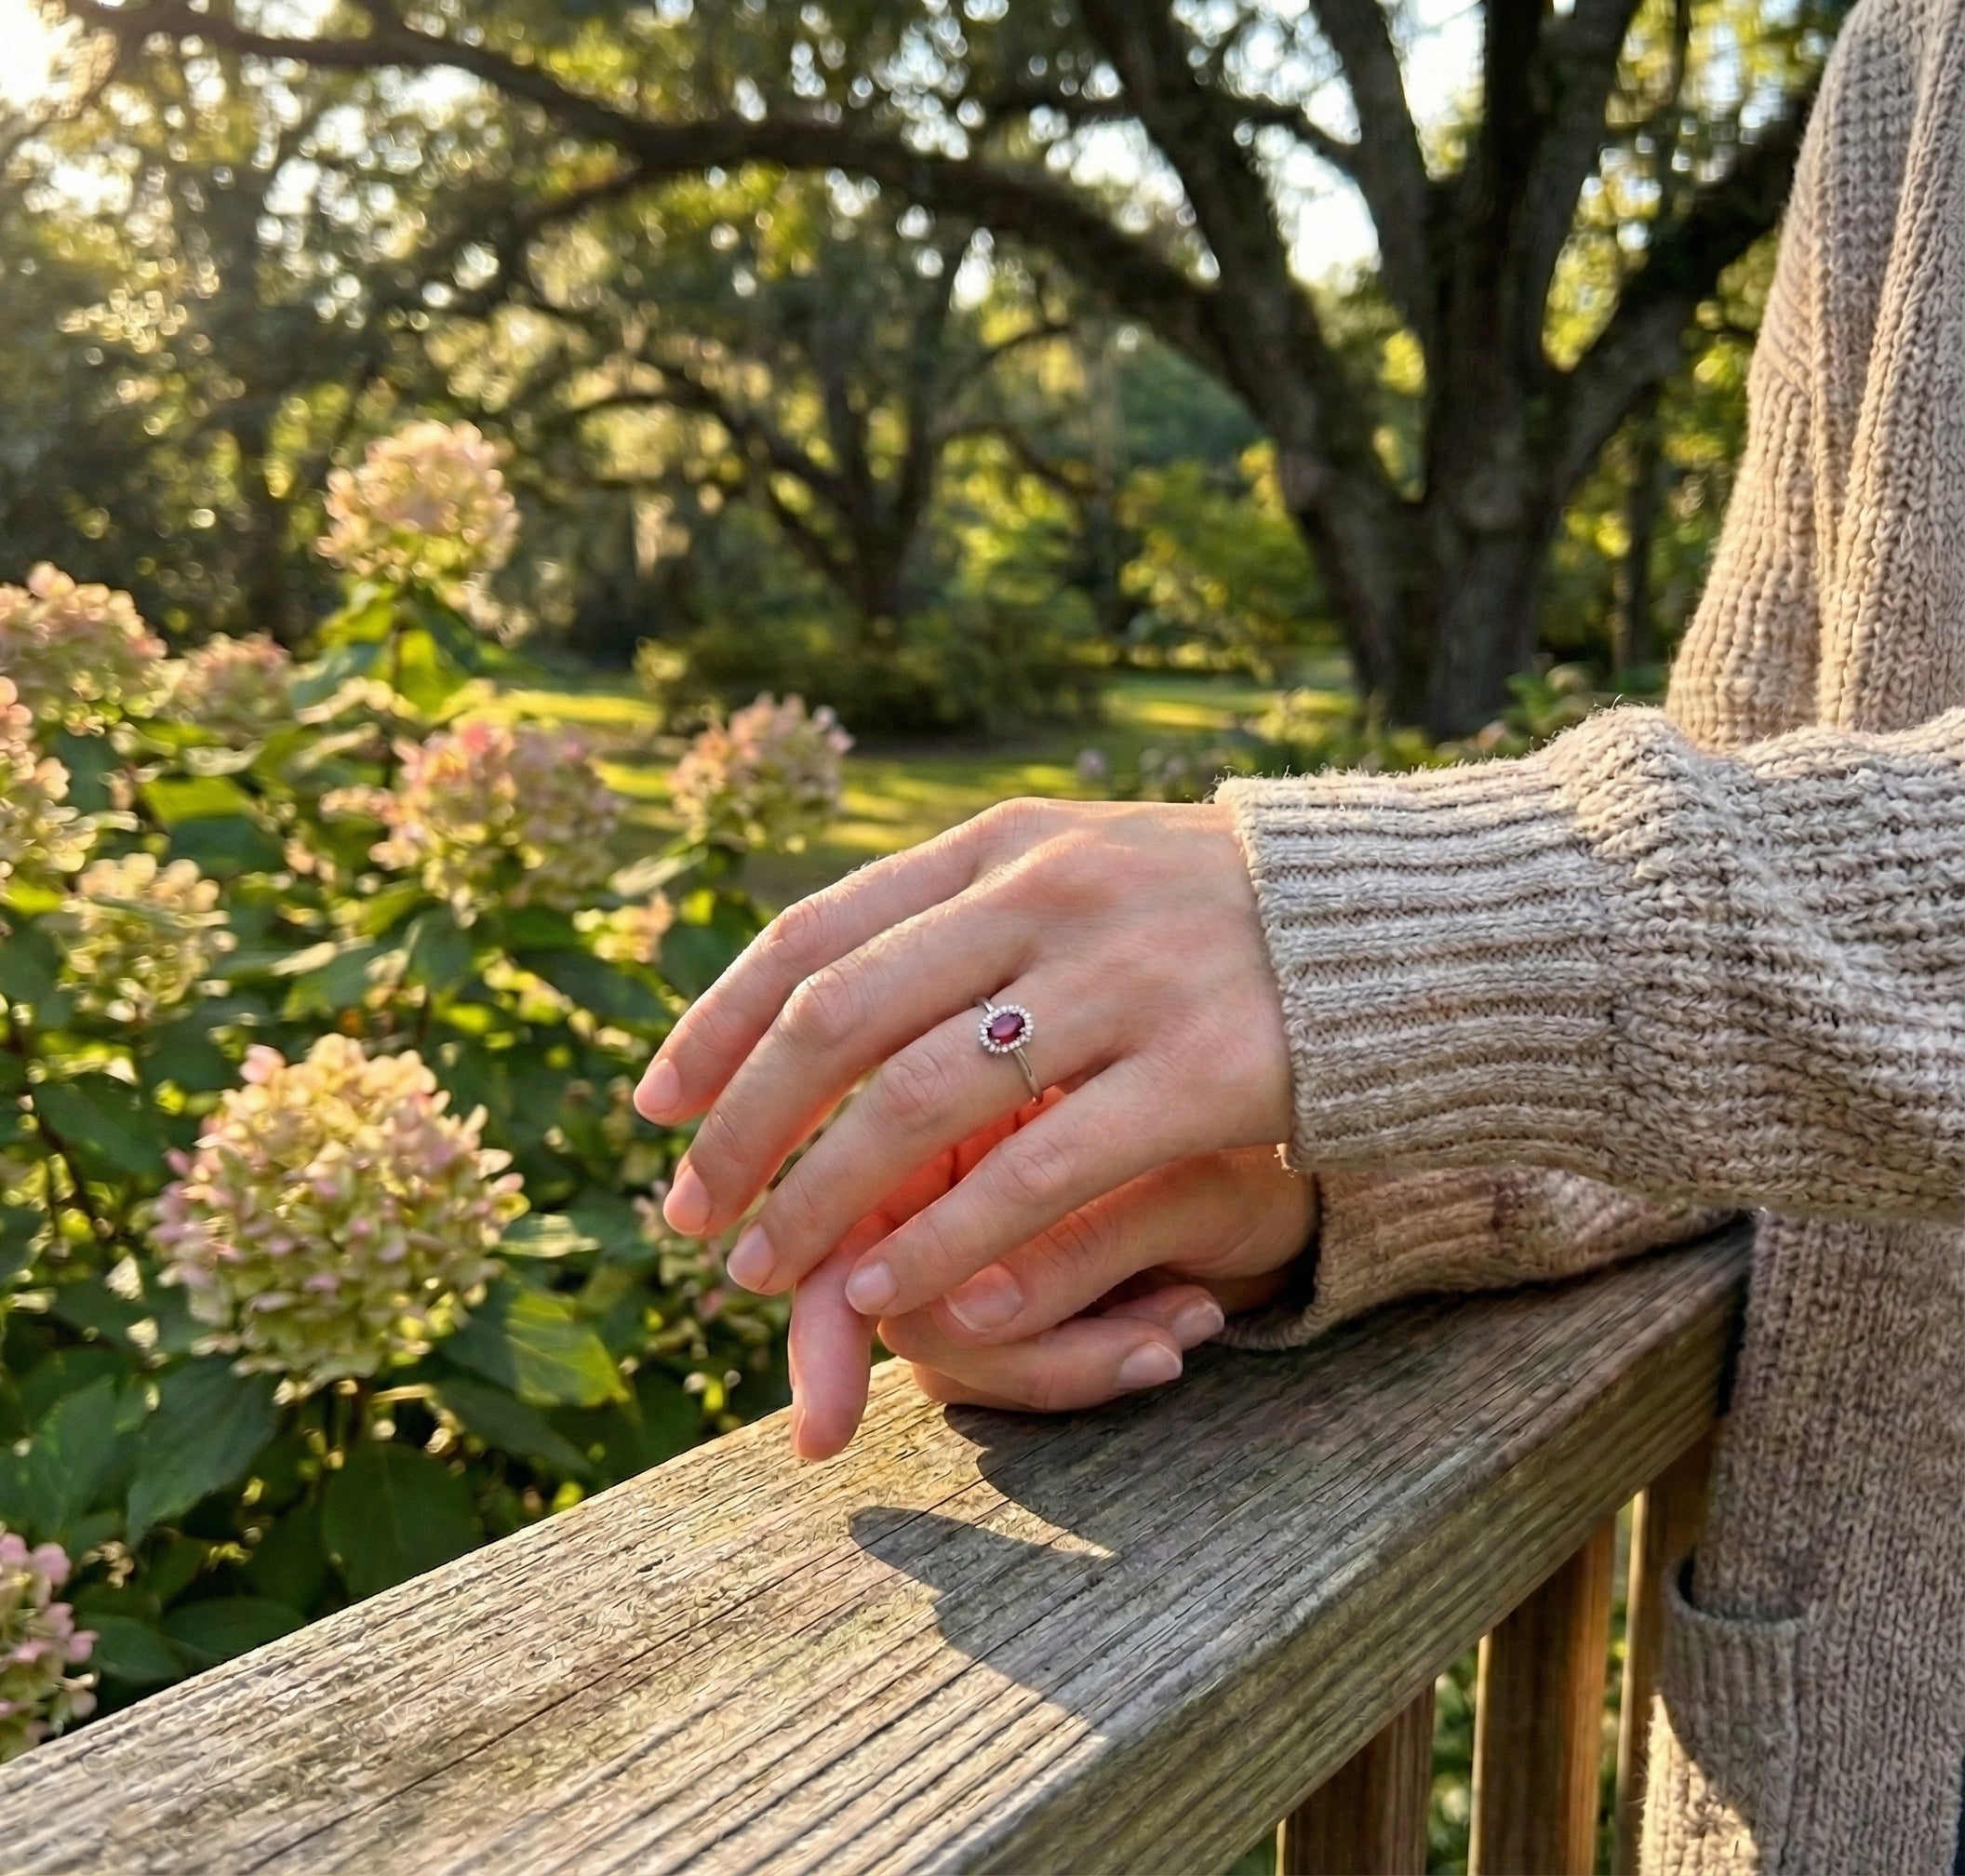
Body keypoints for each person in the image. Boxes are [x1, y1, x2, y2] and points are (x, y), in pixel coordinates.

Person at [636, 0, 1965, 1865]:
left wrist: (1377, 930)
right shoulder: (1909, 53)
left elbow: (1688, 951)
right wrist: (1317, 1171)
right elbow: (1784, 1019)